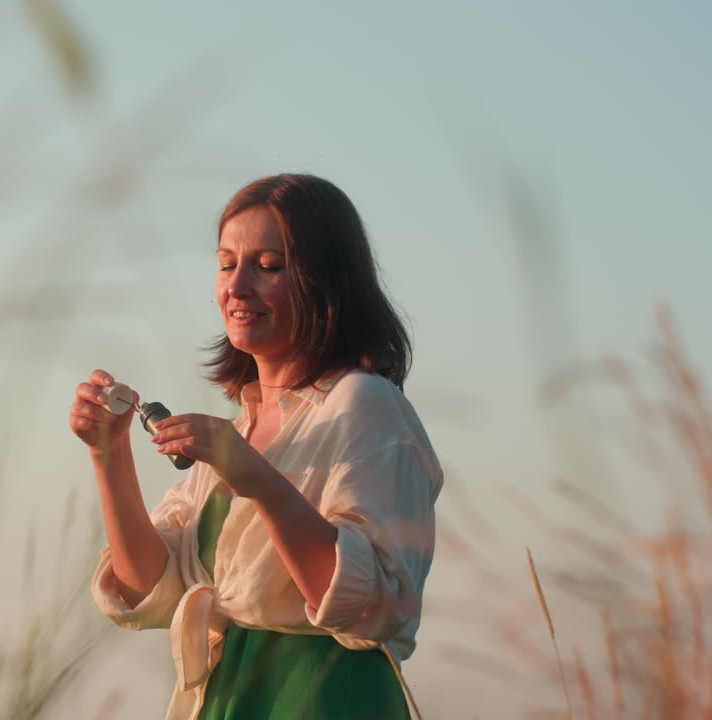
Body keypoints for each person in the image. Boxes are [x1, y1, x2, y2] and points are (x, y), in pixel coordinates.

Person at [69, 173, 443, 719]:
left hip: (322, 700)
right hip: (228, 698)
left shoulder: (364, 404)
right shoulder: (242, 427)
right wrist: (109, 455)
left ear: (326, 282)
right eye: (226, 264)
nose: (237, 287)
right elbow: (149, 589)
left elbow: (375, 607)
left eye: (268, 267)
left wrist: (257, 479)